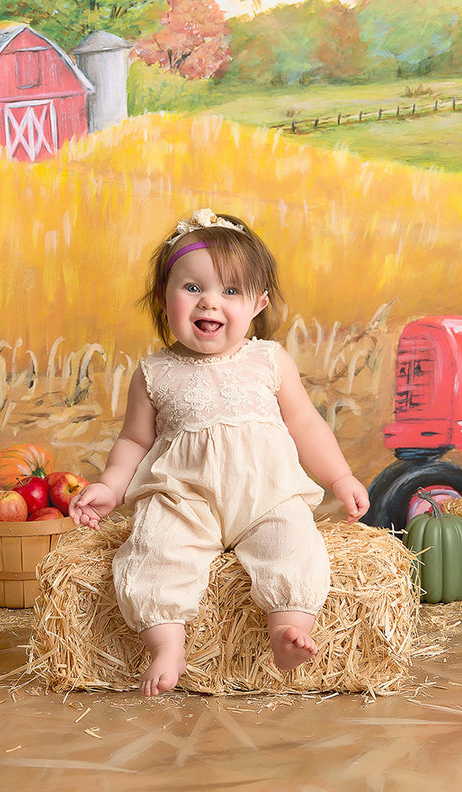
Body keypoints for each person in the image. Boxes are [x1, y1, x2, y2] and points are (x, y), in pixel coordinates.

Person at [68, 209, 369, 697]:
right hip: (184, 499)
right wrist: (110, 486)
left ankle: (286, 630)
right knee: (153, 552)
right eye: (192, 288)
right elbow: (134, 441)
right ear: (164, 297)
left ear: (257, 304)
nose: (210, 301)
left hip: (267, 495)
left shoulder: (269, 361)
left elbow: (306, 424)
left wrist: (340, 478)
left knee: (294, 544)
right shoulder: (153, 373)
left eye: (230, 291)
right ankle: (168, 643)